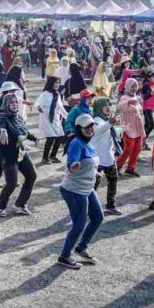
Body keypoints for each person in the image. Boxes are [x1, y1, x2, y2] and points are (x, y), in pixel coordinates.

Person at [57, 114, 104, 270]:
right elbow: (72, 163)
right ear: (79, 129)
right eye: (86, 127)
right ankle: (64, 257)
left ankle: (81, 248)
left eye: (92, 126)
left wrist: (94, 172)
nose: (90, 129)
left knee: (97, 217)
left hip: (86, 187)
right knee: (79, 224)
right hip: (74, 190)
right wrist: (73, 166)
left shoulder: (88, 143)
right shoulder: (77, 143)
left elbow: (88, 162)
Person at [0, 93, 38, 217]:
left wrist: (33, 138)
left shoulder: (17, 117)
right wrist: (1, 130)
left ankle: (20, 205)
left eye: (16, 102)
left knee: (32, 175)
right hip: (8, 157)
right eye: (11, 102)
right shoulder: (3, 118)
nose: (14, 104)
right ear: (6, 104)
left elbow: (23, 130)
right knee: (11, 183)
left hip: (20, 152)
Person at [91, 98, 123, 215]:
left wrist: (121, 128)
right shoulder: (96, 120)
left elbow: (110, 133)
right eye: (105, 105)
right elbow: (98, 131)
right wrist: (110, 122)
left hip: (108, 156)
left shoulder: (106, 119)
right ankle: (90, 206)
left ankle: (110, 205)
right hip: (97, 158)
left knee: (113, 180)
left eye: (109, 104)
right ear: (99, 107)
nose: (108, 107)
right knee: (94, 183)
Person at [115, 78, 144, 177]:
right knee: (128, 149)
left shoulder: (137, 97)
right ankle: (117, 167)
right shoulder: (124, 97)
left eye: (135, 86)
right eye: (132, 86)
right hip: (128, 128)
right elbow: (119, 107)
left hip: (138, 127)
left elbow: (140, 111)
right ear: (127, 87)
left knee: (137, 149)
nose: (134, 88)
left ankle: (130, 168)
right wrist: (128, 103)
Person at [36, 76, 67, 164]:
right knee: (50, 138)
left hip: (55, 119)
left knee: (60, 137)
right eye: (55, 82)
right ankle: (45, 158)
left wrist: (68, 117)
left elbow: (60, 107)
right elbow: (37, 103)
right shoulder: (45, 94)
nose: (57, 84)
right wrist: (38, 107)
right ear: (51, 83)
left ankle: (52, 156)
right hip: (46, 118)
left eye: (58, 83)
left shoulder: (57, 94)